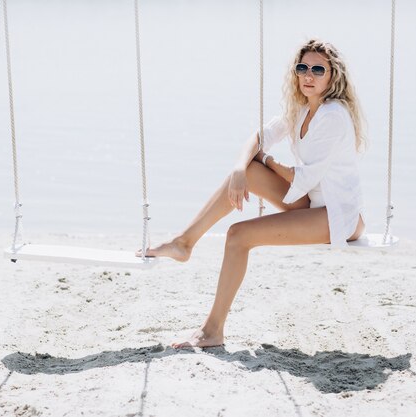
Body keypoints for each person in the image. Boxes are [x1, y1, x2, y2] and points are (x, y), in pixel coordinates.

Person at [140, 39, 366, 348]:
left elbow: (305, 175)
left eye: (317, 69)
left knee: (238, 235)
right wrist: (239, 168)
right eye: (303, 68)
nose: (308, 75)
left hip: (338, 215)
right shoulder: (301, 109)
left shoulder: (333, 116)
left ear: (332, 75)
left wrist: (267, 159)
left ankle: (212, 331)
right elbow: (260, 136)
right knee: (250, 170)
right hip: (312, 201)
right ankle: (183, 242)